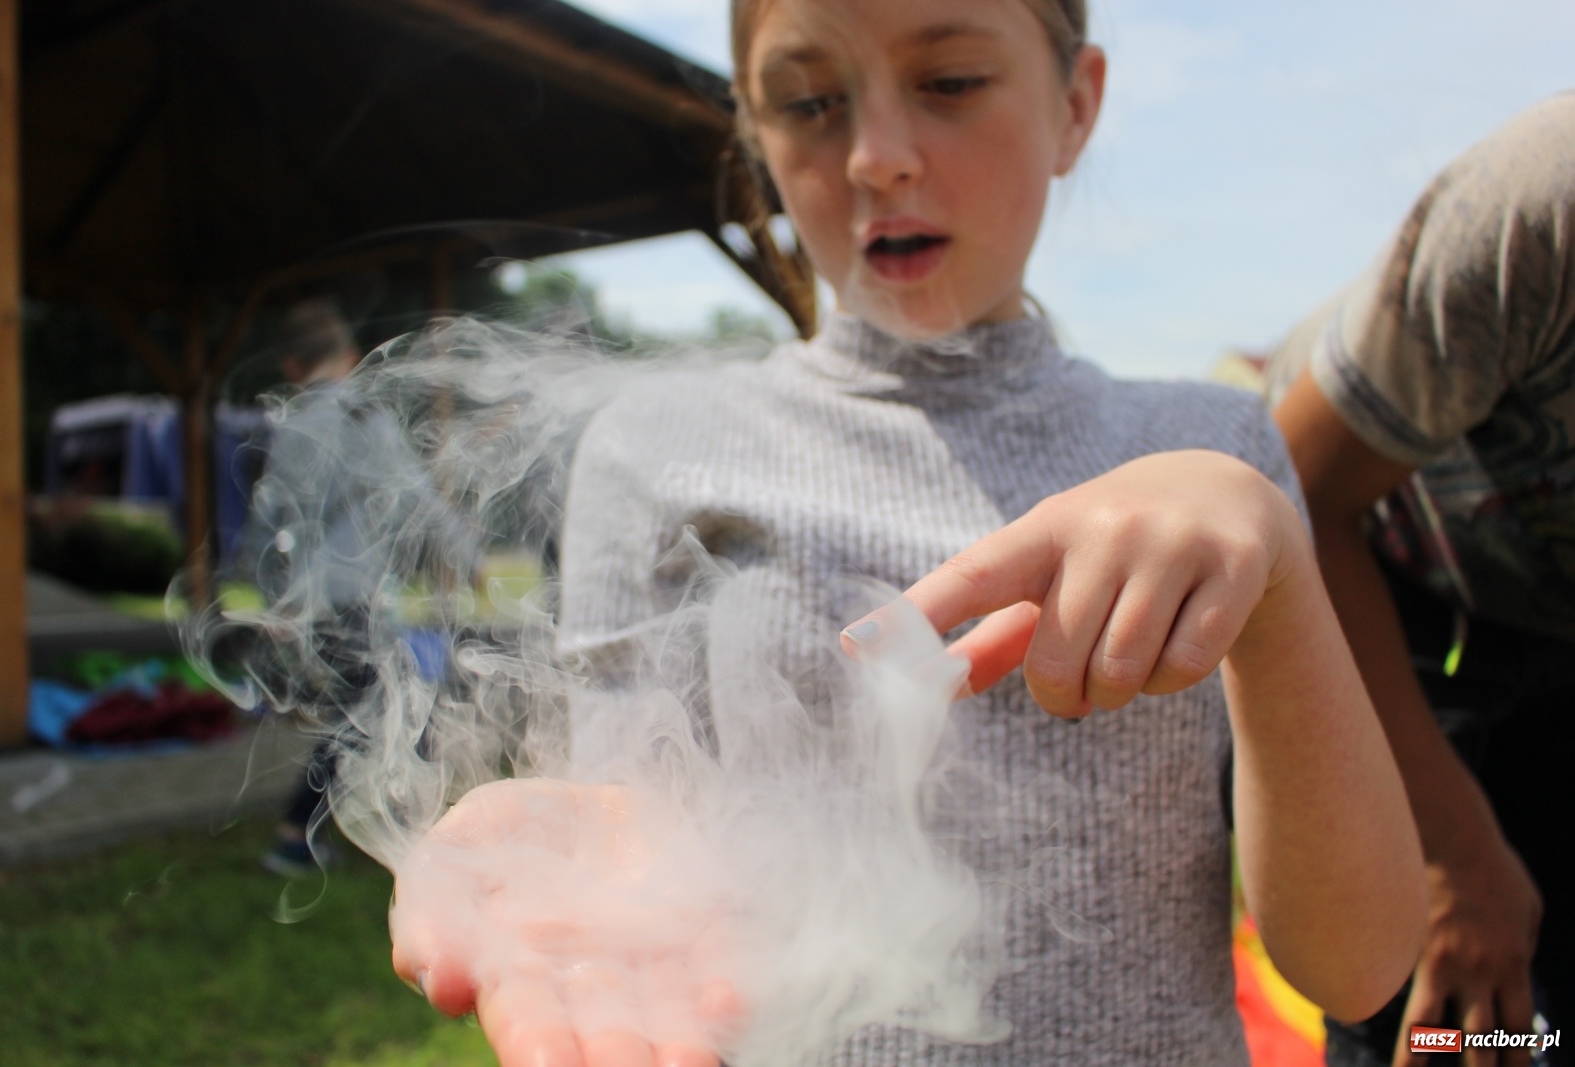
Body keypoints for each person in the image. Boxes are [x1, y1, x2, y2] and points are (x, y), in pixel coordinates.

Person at [389, 0, 1428, 1062]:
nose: (877, 158)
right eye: (809, 102)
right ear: (753, 137)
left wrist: (1278, 573)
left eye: (949, 82)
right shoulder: (653, 449)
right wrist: (588, 866)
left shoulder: (1209, 447)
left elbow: (1357, 965)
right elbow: (635, 821)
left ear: (1076, 104)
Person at [1270, 95, 1575, 1067]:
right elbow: (1300, 505)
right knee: (1449, 1013)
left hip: (1548, 623)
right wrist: (1450, 854)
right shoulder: (1535, 207)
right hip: (1374, 585)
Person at [236, 298, 479, 877]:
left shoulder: (290, 425)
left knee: (373, 709)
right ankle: (309, 833)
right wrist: (474, 562)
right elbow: (419, 501)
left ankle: (373, 827)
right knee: (379, 711)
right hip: (355, 599)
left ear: (292, 367)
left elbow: (269, 522)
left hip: (310, 602)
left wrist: (267, 596)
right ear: (348, 357)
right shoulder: (363, 417)